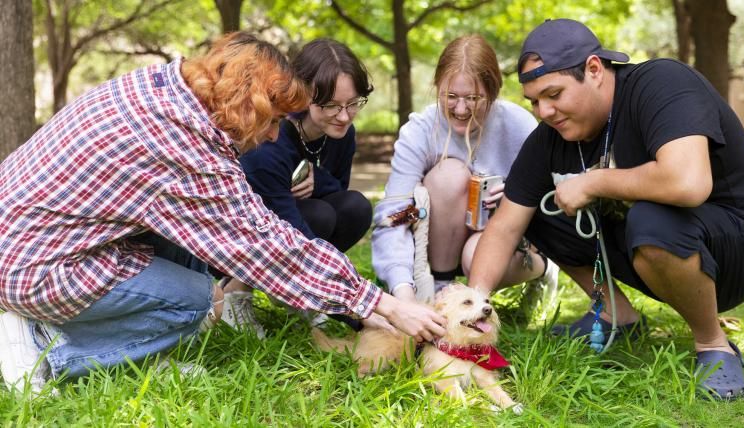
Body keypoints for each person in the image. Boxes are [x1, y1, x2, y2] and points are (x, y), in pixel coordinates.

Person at [0, 32, 445, 394]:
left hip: (33, 237)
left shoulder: (164, 88)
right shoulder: (183, 148)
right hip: (34, 264)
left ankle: (125, 343)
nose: (274, 137)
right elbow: (265, 245)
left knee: (194, 263)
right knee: (194, 302)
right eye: (271, 121)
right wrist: (376, 302)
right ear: (244, 106)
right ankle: (45, 349)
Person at [468, 18, 744, 400]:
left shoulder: (661, 83)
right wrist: (471, 307)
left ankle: (713, 344)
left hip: (741, 247)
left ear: (594, 69)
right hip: (653, 247)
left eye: (554, 94)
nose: (544, 111)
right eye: (534, 101)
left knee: (651, 218)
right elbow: (505, 225)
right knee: (539, 206)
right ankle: (616, 316)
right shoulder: (549, 140)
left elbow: (687, 183)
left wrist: (593, 181)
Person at [371, 34, 557, 303]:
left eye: (473, 98)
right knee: (448, 175)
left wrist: (517, 197)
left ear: (493, 92)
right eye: (450, 96)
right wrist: (402, 288)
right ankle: (440, 287)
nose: (460, 109)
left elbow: (554, 198)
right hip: (436, 240)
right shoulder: (419, 132)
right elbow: (393, 216)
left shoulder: (519, 125)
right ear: (437, 87)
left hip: (501, 241)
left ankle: (543, 270)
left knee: (475, 253)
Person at [221, 39, 374, 333]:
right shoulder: (271, 141)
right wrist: (360, 314)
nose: (344, 116)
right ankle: (234, 293)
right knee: (319, 216)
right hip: (245, 239)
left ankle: (298, 292)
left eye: (353, 104)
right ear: (304, 94)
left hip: (295, 221)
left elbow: (338, 191)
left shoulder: (343, 133)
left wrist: (317, 180)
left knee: (354, 207)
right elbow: (286, 227)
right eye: (331, 105)